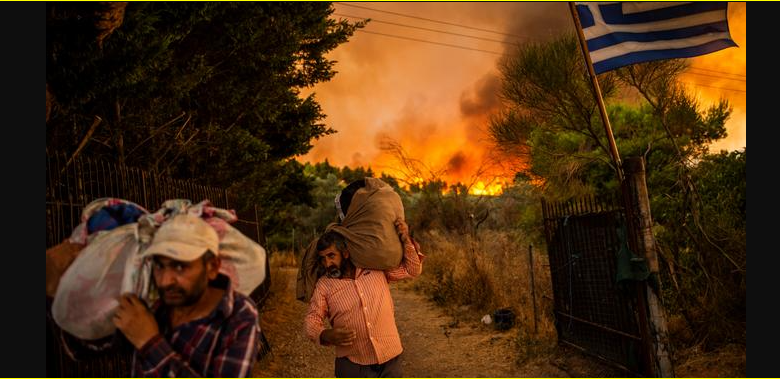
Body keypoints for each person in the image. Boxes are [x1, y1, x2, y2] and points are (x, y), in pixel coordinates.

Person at [112, 213, 260, 377]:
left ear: (212, 267)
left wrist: (150, 343)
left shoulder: (238, 316)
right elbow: (92, 342)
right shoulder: (151, 301)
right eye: (160, 266)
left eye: (180, 267)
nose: (166, 281)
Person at [304, 217, 424, 377]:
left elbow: (412, 269)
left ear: (345, 253)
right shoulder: (324, 285)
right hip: (352, 364)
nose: (327, 263)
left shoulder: (375, 269)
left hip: (390, 356)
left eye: (331, 256)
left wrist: (405, 239)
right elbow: (312, 319)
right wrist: (325, 334)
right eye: (323, 258)